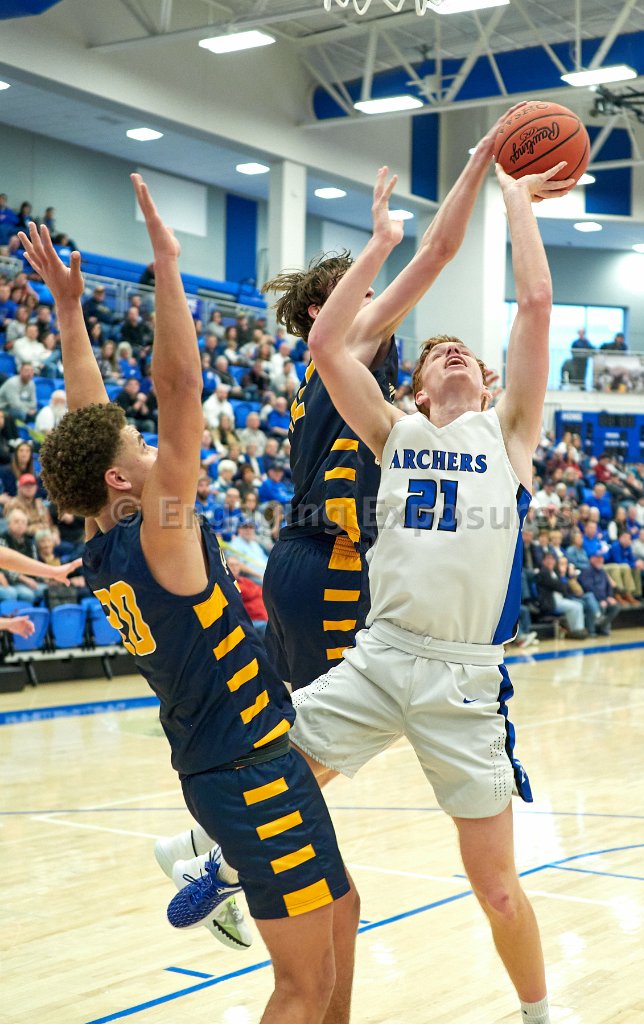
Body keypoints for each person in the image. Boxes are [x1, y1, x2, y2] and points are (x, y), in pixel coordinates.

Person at [21, 181, 359, 1024]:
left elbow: (90, 416)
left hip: (243, 759)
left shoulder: (106, 542)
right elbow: (177, 391)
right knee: (302, 985)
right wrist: (167, 266)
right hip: (247, 773)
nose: (151, 444)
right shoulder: (159, 536)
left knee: (340, 919)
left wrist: (71, 312)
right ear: (120, 478)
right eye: (139, 445)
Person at [281, 159, 572, 1024]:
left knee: (498, 889)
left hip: (462, 681)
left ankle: (539, 1013)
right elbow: (327, 349)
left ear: (488, 384)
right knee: (264, 769)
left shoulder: (509, 434)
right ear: (412, 388)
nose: (454, 352)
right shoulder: (393, 432)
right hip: (379, 657)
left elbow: (535, 304)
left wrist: (516, 204)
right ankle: (214, 862)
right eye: (439, 350)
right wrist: (383, 242)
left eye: (468, 356)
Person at [261, 104, 529, 692]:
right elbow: (437, 251)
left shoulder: (342, 375)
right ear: (321, 311)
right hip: (327, 557)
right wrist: (478, 161)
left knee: (303, 721)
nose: (377, 298)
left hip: (304, 556)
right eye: (360, 290)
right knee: (325, 728)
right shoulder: (345, 340)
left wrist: (463, 401)